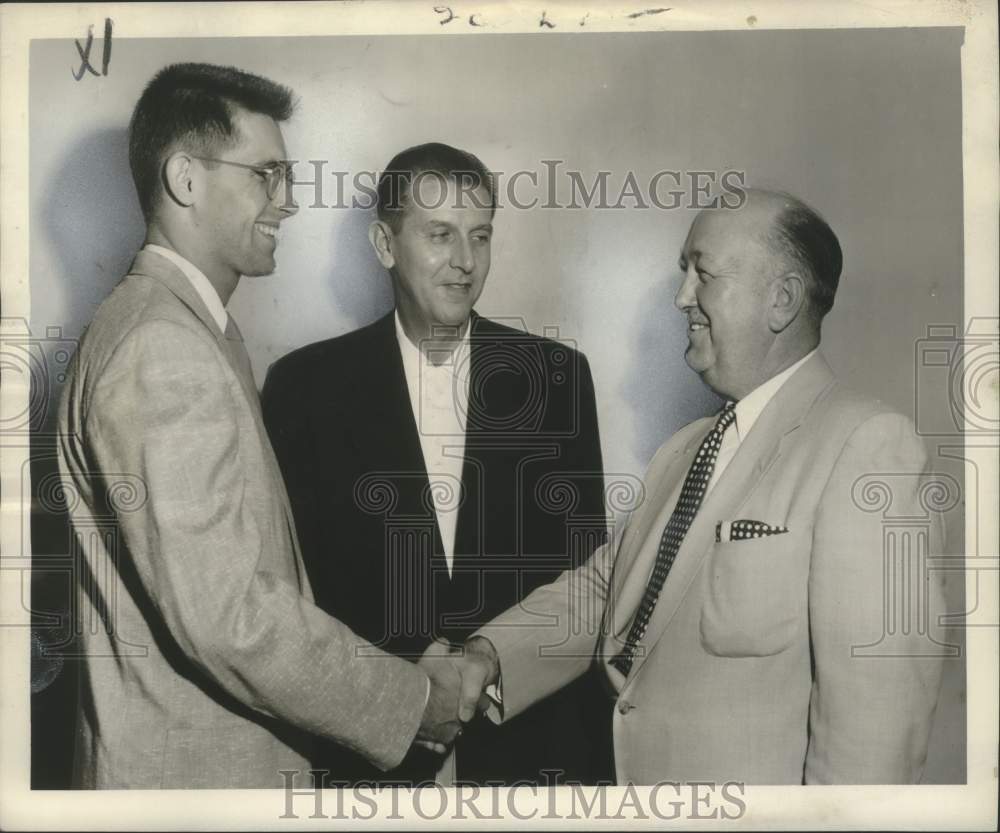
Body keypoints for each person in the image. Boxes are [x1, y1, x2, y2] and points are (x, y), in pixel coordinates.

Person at [56, 63, 476, 789]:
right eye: (265, 174)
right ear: (185, 179)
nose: (286, 201)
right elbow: (230, 617)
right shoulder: (165, 348)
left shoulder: (183, 330)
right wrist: (410, 701)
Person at [460, 189, 947, 784]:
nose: (681, 297)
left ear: (782, 300)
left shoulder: (867, 446)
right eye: (683, 272)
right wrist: (484, 659)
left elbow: (877, 737)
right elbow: (604, 591)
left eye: (703, 274)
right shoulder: (686, 448)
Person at [262, 143, 612, 785]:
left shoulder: (557, 378)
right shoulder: (303, 387)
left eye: (480, 236)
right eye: (440, 235)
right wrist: (408, 678)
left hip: (527, 754)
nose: (466, 262)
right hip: (367, 751)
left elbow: (583, 577)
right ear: (384, 243)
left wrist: (486, 669)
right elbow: (297, 587)